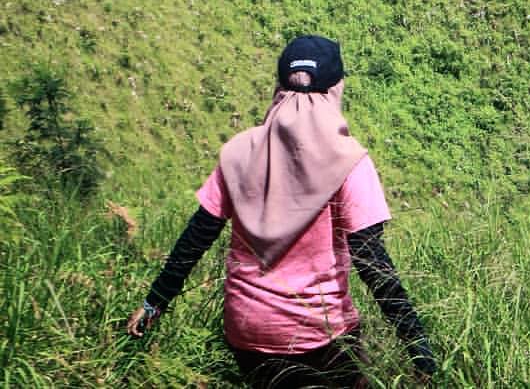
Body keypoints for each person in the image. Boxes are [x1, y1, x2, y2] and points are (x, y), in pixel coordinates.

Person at [128, 35, 436, 387]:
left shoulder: (239, 152)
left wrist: (155, 303)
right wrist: (417, 345)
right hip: (320, 336)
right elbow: (371, 260)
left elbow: (199, 233)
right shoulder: (349, 161)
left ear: (279, 85)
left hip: (246, 331)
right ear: (338, 87)